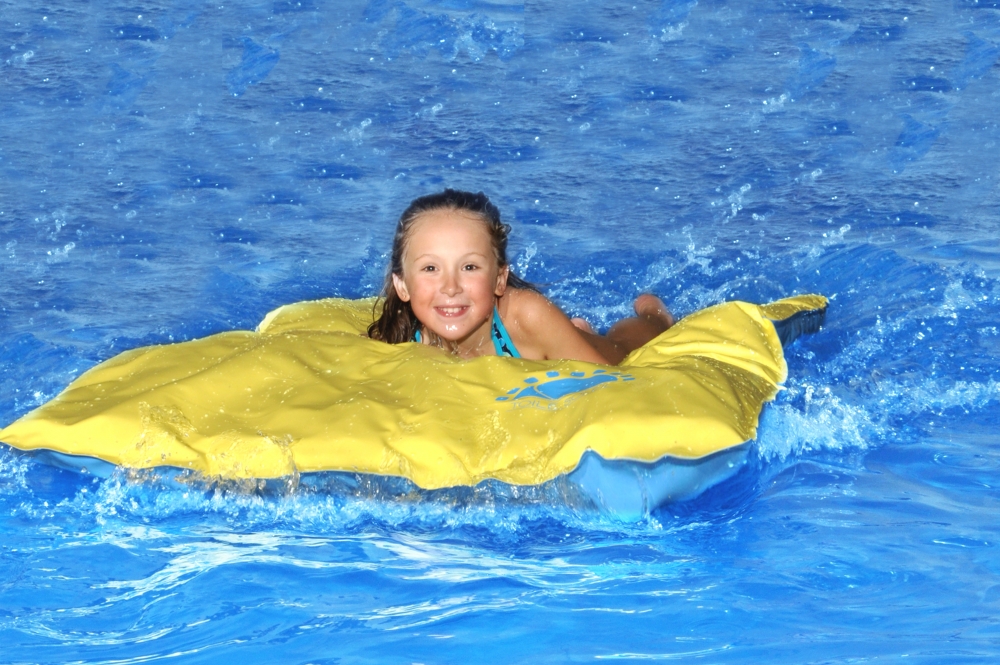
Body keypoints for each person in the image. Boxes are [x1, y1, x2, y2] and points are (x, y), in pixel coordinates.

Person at [367, 189, 674, 364]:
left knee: (624, 347)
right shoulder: (399, 338)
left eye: (470, 267)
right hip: (549, 341)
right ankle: (575, 331)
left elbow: (611, 384)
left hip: (554, 342)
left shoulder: (527, 316)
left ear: (500, 279)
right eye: (430, 269)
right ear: (402, 285)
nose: (450, 287)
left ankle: (654, 314)